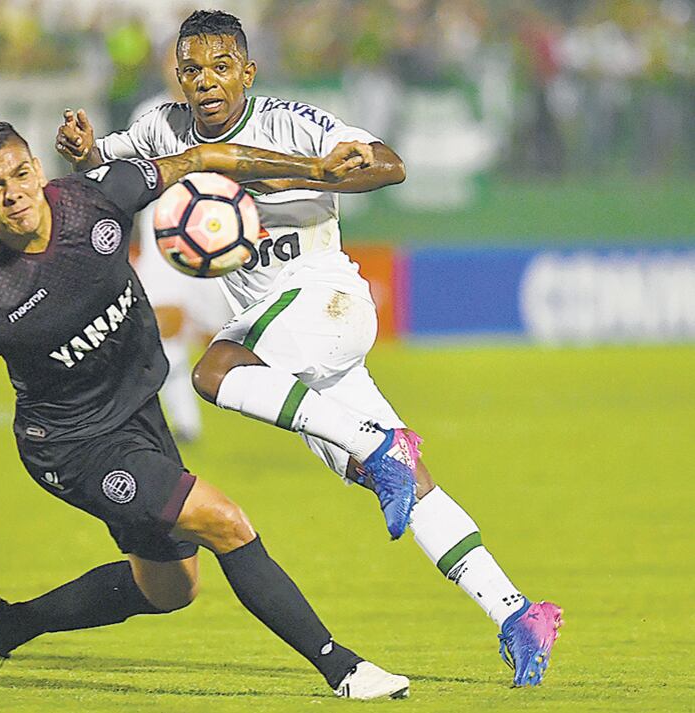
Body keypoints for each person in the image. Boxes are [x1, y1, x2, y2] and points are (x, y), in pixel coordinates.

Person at [55, 9, 562, 687]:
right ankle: (516, 610)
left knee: (213, 370)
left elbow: (390, 165)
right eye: (192, 69)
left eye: (221, 66)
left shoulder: (294, 122)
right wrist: (85, 149)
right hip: (283, 333)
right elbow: (107, 162)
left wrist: (310, 175)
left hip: (326, 303)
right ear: (177, 76)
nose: (206, 81)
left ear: (248, 70)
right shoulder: (162, 128)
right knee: (403, 485)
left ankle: (382, 448)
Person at [0, 120, 411, 701]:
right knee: (226, 522)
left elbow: (203, 157)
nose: (14, 194)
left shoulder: (95, 198)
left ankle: (5, 626)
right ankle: (344, 669)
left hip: (140, 416)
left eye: (21, 173)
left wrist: (312, 172)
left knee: (170, 590)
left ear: (38, 169)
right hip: (75, 447)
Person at [131, 43, 232, 442]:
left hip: (213, 235)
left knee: (217, 337)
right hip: (165, 235)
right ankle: (185, 422)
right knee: (162, 324)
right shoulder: (149, 115)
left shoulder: (220, 114)